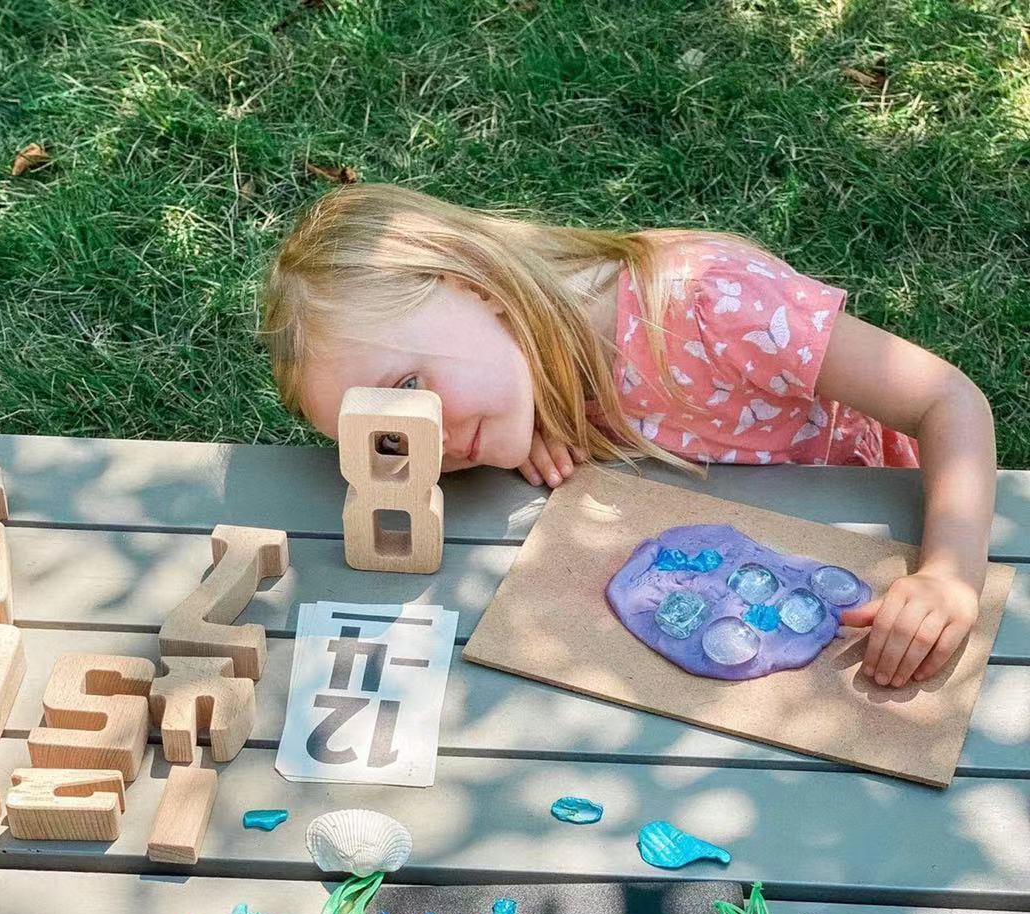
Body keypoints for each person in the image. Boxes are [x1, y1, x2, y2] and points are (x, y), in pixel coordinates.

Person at [259, 182, 997, 690]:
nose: (433, 445)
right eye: (385, 439)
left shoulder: (715, 305)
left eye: (412, 392)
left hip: (864, 523)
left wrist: (949, 574)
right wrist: (531, 424)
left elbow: (948, 399)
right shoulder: (515, 369)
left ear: (477, 285)